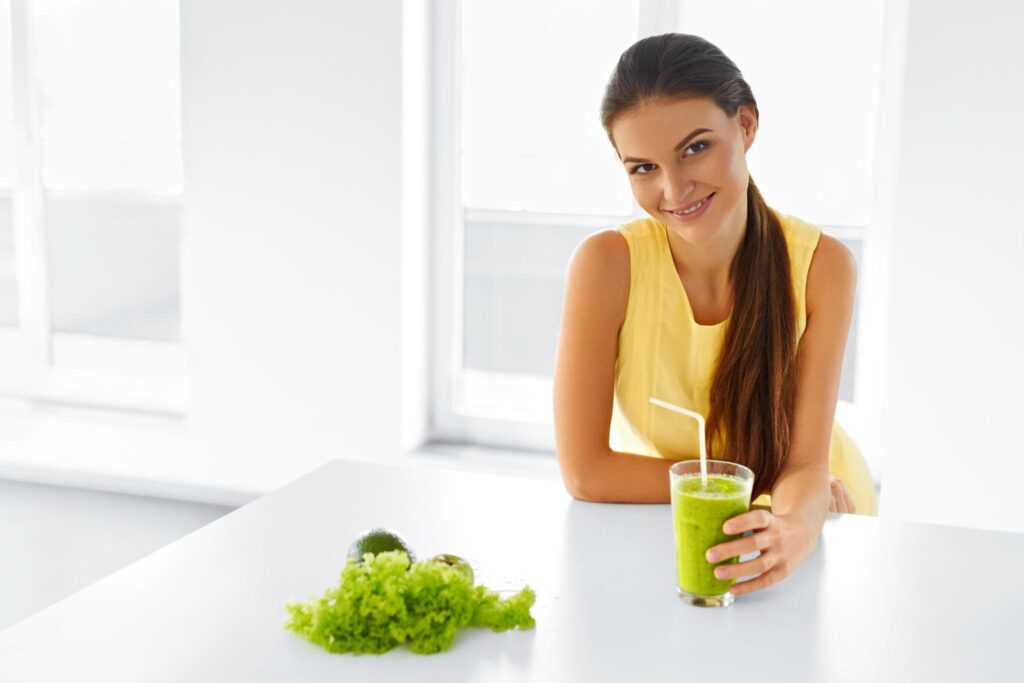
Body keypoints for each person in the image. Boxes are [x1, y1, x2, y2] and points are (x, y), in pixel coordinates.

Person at [552, 33, 877, 597]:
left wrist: (799, 523)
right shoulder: (606, 266)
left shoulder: (824, 266)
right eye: (643, 167)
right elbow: (586, 470)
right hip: (713, 513)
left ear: (746, 126)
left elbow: (805, 464)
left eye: (695, 148)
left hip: (809, 517)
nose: (673, 189)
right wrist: (744, 488)